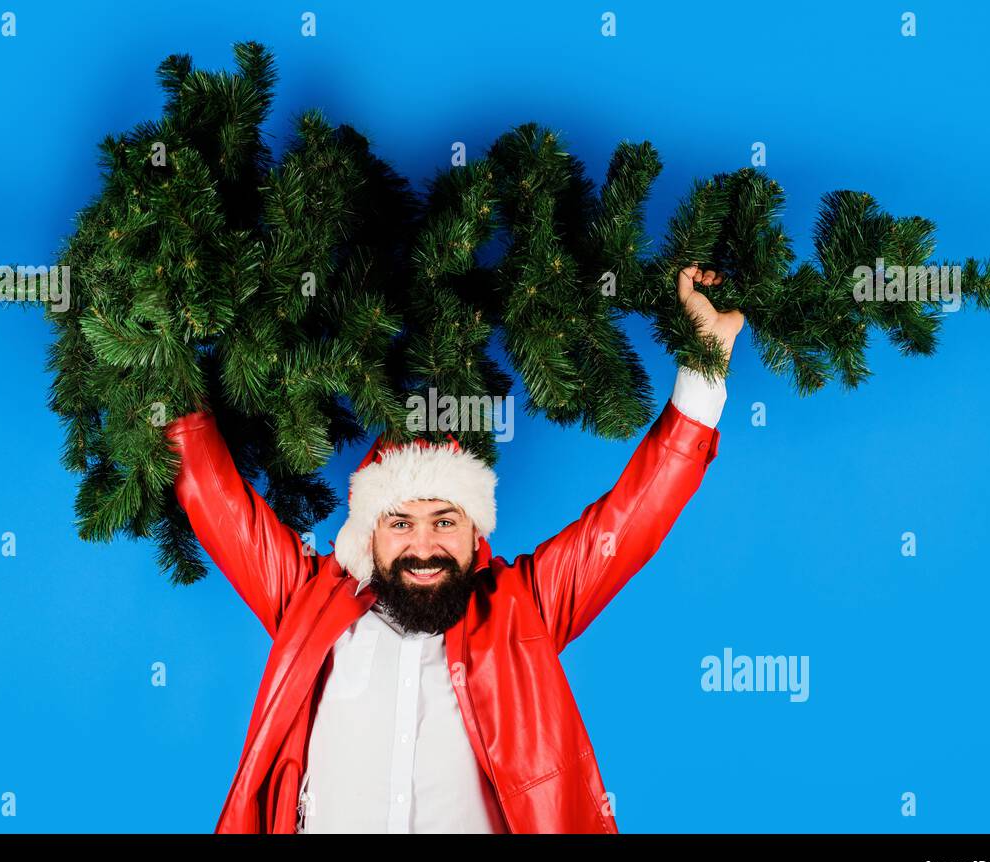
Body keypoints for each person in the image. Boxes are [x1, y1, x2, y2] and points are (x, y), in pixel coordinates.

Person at [166, 265, 744, 833]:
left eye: (444, 521)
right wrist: (162, 347)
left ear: (476, 534)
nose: (424, 546)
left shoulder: (527, 606)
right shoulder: (308, 602)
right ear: (369, 533)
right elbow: (221, 509)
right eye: (400, 523)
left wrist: (703, 371)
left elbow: (632, 521)